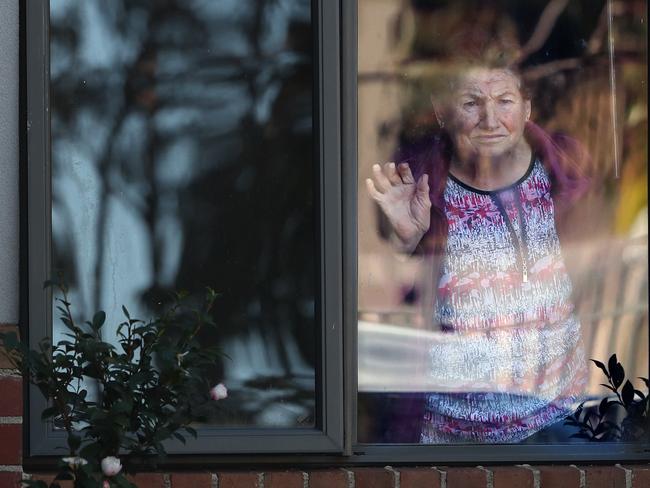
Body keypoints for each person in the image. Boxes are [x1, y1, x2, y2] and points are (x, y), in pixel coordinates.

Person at [365, 58, 590, 443]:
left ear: (527, 108)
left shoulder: (561, 170)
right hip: (452, 435)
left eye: (504, 100)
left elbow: (597, 261)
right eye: (471, 103)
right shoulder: (423, 184)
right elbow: (386, 283)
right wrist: (404, 240)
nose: (490, 120)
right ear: (442, 110)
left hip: (558, 415)